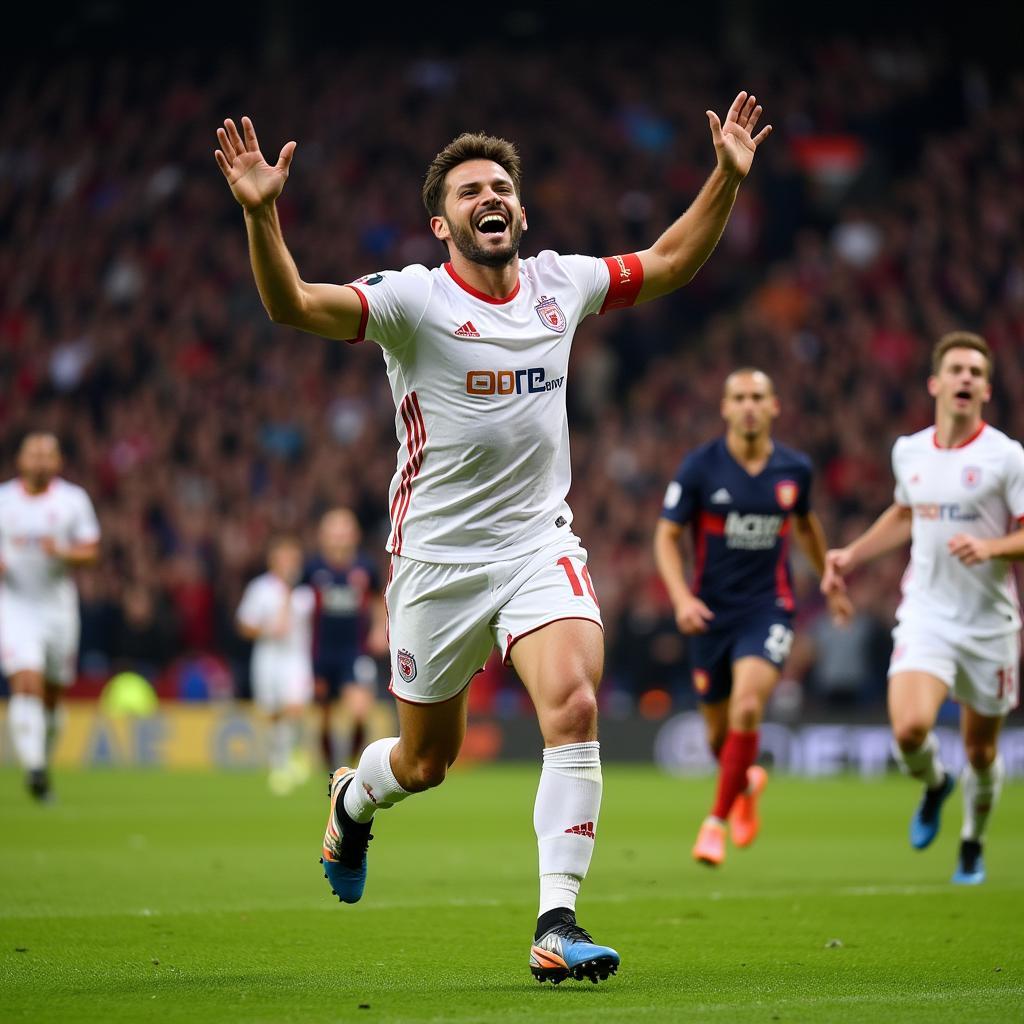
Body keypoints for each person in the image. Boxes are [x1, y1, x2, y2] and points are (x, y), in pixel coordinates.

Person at [215, 89, 772, 984]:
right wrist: (262, 216)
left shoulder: (563, 282)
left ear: (522, 208)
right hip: (434, 565)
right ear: (441, 224)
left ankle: (557, 922)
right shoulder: (412, 303)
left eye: (501, 187)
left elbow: (669, 261)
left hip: (536, 545)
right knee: (425, 762)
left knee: (576, 704)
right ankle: (354, 799)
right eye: (471, 190)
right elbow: (294, 307)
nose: (491, 198)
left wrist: (725, 179)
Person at [822, 333, 1024, 885]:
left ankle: (972, 844)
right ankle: (936, 783)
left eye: (975, 372)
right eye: (956, 369)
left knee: (982, 750)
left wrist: (992, 547)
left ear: (985, 387)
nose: (965, 378)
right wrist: (853, 554)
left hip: (989, 624)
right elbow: (907, 513)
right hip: (927, 613)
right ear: (935, 383)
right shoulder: (909, 450)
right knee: (909, 729)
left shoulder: (1006, 457)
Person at [654, 369, 851, 867]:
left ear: (774, 407)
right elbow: (665, 537)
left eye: (757, 397)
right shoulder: (699, 467)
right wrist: (680, 598)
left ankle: (714, 822)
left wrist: (827, 573)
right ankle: (745, 781)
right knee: (720, 737)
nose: (748, 406)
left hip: (768, 610)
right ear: (724, 408)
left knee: (746, 708)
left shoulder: (794, 469)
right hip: (709, 614)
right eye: (739, 398)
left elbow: (805, 524)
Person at [1, 433, 100, 800]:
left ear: (57, 462)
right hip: (15, 604)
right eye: (34, 454)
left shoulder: (72, 500)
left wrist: (62, 552)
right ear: (21, 460)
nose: (40, 461)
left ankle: (42, 759)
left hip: (57, 608)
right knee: (26, 680)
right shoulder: (3, 501)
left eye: (47, 455)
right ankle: (34, 769)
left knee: (53, 699)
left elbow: (91, 551)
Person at [304, 508, 386, 768]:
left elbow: (377, 600)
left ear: (354, 535)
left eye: (344, 530)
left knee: (360, 710)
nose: (339, 536)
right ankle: (330, 770)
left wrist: (379, 628)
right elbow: (298, 604)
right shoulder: (313, 568)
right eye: (334, 531)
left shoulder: (365, 567)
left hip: (355, 651)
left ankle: (350, 765)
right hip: (321, 652)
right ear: (323, 536)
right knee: (325, 714)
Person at [237, 536, 316, 795]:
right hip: (268, 657)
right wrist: (268, 629)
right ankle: (279, 761)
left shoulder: (305, 592)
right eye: (284, 558)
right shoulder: (260, 589)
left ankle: (292, 757)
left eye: (293, 559)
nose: (289, 564)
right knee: (273, 712)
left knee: (295, 707)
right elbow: (245, 625)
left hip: (296, 658)